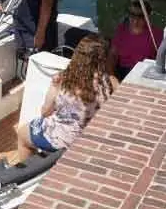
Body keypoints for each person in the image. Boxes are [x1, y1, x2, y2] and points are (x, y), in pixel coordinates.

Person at [15, 34, 118, 162]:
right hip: (90, 137)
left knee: (22, 133)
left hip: (63, 139)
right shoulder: (111, 83)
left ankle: (27, 173)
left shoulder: (62, 79)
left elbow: (45, 112)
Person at [110, 0, 164, 81]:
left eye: (140, 16)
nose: (135, 20)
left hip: (143, 73)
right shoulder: (121, 30)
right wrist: (111, 77)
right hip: (122, 72)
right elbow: (113, 55)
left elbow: (161, 60)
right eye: (132, 15)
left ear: (147, 16)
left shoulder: (156, 34)